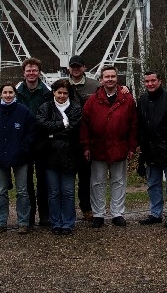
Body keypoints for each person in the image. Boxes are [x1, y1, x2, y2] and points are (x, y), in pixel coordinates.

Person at [80, 64, 138, 228]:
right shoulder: (93, 100)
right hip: (98, 147)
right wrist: (86, 146)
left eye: (113, 76)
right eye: (107, 77)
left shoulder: (127, 99)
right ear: (101, 79)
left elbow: (134, 124)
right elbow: (85, 125)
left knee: (118, 181)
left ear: (117, 78)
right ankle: (98, 214)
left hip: (119, 146)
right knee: (97, 182)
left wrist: (132, 147)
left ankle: (117, 213)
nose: (110, 79)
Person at [0, 82, 37, 234]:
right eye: (5, 93)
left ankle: (23, 222)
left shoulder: (24, 112)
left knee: (22, 191)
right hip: (0, 158)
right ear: (1, 94)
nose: (7, 95)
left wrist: (24, 149)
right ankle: (0, 222)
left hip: (20, 157)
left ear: (15, 94)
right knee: (1, 191)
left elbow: (31, 132)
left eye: (10, 93)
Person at [137, 70, 167, 228]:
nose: (150, 84)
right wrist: (141, 145)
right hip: (150, 150)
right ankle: (155, 213)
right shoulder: (143, 100)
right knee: (153, 184)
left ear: (160, 81)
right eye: (147, 81)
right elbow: (141, 125)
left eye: (153, 81)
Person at [36, 78, 83, 236]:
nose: (62, 95)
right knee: (54, 192)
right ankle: (56, 222)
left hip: (70, 155)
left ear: (69, 93)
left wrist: (52, 134)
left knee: (68, 192)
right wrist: (62, 124)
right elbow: (41, 125)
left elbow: (74, 130)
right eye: (59, 92)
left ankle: (68, 223)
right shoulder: (45, 108)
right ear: (53, 93)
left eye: (65, 93)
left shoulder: (76, 108)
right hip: (50, 157)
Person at [15, 57, 52, 227]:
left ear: (39, 72)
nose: (31, 73)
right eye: (28, 70)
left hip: (42, 142)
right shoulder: (17, 92)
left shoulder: (47, 92)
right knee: (26, 181)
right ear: (24, 73)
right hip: (24, 143)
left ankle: (45, 215)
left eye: (34, 70)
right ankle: (28, 216)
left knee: (43, 180)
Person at [67, 54, 99, 222]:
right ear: (69, 68)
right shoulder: (62, 86)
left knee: (86, 178)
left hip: (87, 138)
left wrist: (125, 89)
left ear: (84, 67)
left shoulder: (95, 85)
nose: (76, 69)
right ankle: (68, 210)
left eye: (78, 66)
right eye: (73, 66)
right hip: (68, 139)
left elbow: (109, 94)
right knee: (68, 178)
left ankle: (86, 208)